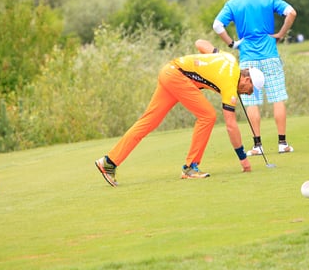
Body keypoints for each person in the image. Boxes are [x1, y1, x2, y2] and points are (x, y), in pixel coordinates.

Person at [94, 39, 265, 186]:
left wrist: (209, 62)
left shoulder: (228, 58)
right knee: (208, 116)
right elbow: (231, 125)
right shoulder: (230, 86)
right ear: (246, 79)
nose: (248, 94)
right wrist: (244, 160)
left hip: (168, 71)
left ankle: (109, 162)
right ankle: (190, 168)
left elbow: (200, 43)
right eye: (250, 90)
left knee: (148, 122)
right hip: (178, 77)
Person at [213, 0, 297, 157]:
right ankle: (282, 143)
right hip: (270, 55)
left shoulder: (233, 3)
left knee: (252, 101)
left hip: (248, 59)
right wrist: (280, 34)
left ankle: (258, 146)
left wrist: (232, 43)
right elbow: (291, 12)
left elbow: (217, 25)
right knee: (277, 98)